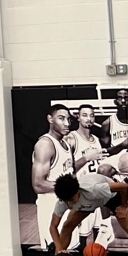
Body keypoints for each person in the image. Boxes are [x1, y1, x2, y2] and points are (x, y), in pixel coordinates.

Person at [29, 105, 76, 246]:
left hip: (67, 206)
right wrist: (70, 187)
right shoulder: (45, 144)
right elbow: (38, 185)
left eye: (68, 119)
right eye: (61, 119)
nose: (67, 123)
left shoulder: (66, 144)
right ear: (50, 119)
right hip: (51, 208)